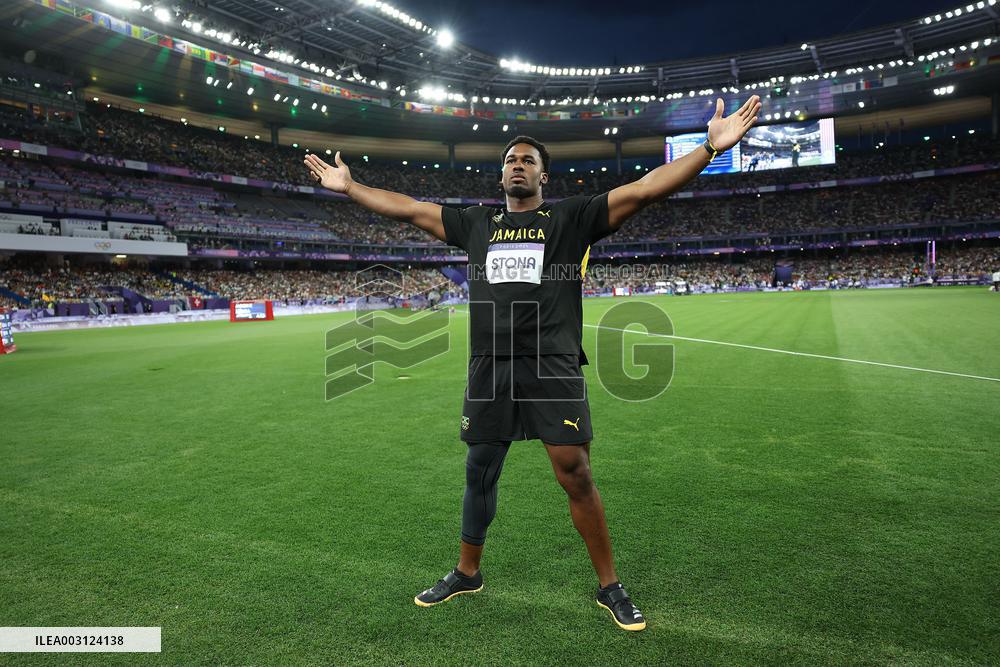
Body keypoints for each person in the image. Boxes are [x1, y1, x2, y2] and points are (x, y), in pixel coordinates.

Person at [303, 95, 761, 631]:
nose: (516, 165)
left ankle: (609, 585)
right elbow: (407, 207)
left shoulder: (571, 218)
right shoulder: (476, 224)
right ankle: (467, 571)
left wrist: (709, 148)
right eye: (509, 160)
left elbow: (645, 188)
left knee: (576, 472)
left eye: (527, 160)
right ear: (501, 175)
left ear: (544, 175)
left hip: (552, 366)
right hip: (490, 367)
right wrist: (351, 188)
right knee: (479, 470)